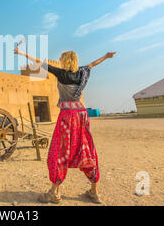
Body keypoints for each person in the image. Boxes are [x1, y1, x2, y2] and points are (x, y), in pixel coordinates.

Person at [14, 49, 116, 204]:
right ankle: (94, 191)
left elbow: (40, 62)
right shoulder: (82, 73)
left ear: (65, 61)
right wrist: (107, 57)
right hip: (82, 115)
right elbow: (93, 64)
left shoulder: (61, 73)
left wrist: (22, 53)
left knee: (60, 151)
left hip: (67, 117)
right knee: (87, 150)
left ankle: (54, 193)